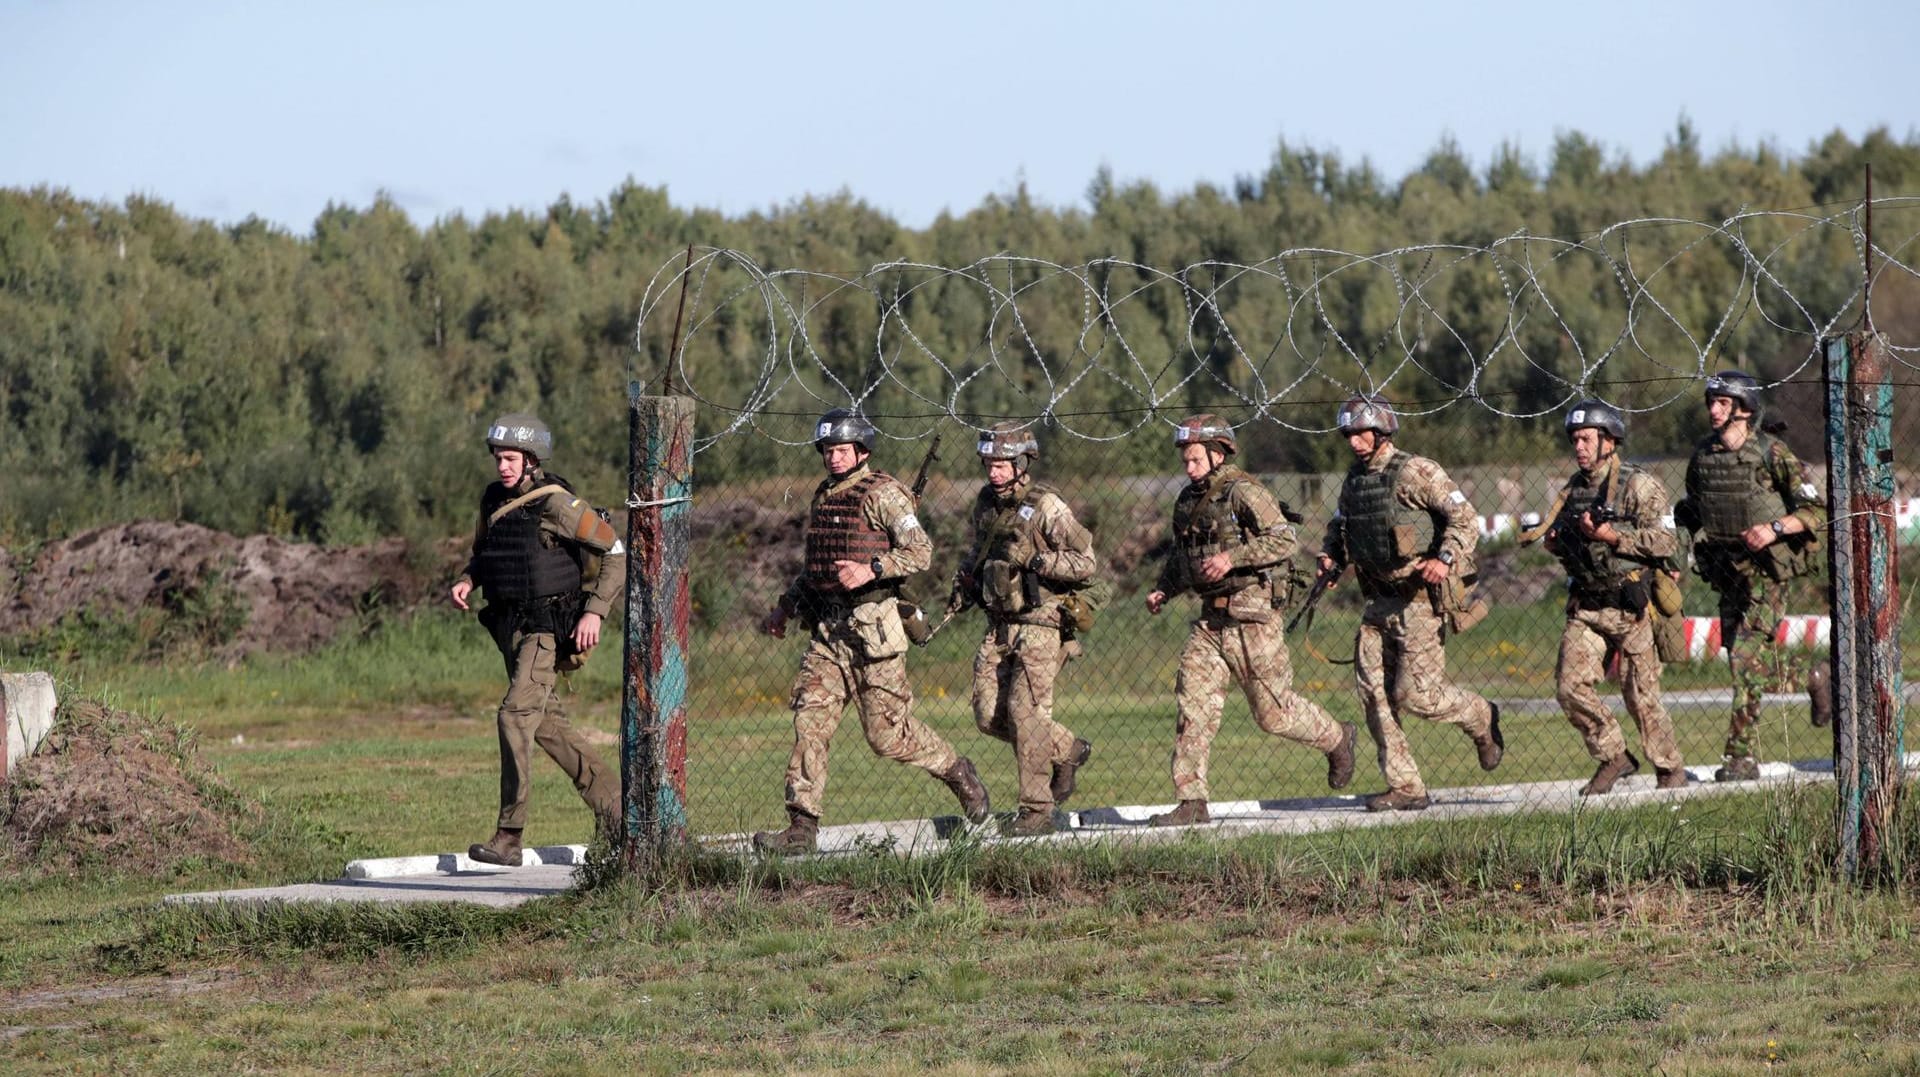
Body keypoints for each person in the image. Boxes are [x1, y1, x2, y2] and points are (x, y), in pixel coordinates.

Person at [754, 409, 990, 854]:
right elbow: (817, 568)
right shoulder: (824, 497)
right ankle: (801, 828)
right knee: (810, 723)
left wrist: (873, 568)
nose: (833, 458)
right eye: (827, 450)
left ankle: (957, 769)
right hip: (828, 632)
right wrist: (785, 607)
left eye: (841, 450)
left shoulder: (885, 494)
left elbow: (921, 551)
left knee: (887, 736)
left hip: (873, 632)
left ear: (861, 451)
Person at [1143, 414, 1357, 827]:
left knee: (1272, 715)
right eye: (1185, 460)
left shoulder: (1245, 492)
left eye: (1194, 459)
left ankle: (1337, 737)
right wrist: (1164, 590)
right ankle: (1192, 801)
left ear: (1217, 452)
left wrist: (1231, 558)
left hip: (1253, 619)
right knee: (1194, 706)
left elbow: (1284, 538)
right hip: (1211, 624)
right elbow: (1181, 556)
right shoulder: (1187, 501)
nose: (1188, 467)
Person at [450, 413, 626, 866]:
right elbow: (483, 554)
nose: (502, 467)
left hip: (547, 630)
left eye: (510, 459)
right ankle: (620, 813)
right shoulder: (493, 501)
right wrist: (468, 579)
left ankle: (509, 835)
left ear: (531, 459)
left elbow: (616, 552)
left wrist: (594, 613)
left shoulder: (556, 504)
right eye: (498, 458)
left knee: (513, 716)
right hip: (511, 631)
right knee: (548, 726)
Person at [1317, 395, 1501, 812]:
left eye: (1360, 432)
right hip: (1376, 602)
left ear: (1381, 431)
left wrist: (1446, 558)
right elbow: (1341, 524)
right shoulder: (1355, 480)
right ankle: (1406, 786)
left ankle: (1481, 716)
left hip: (1418, 601)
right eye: (1348, 434)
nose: (1353, 441)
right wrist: (1331, 556)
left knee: (1417, 695)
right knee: (1374, 696)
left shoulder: (1417, 471)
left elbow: (1465, 517)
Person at [1673, 371, 1830, 783]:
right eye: (1711, 401)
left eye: (1722, 402)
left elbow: (1815, 513)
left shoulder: (1773, 454)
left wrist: (1774, 529)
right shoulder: (1703, 456)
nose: (1713, 409)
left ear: (1743, 408)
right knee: (1743, 663)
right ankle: (1816, 677)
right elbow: (1689, 509)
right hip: (1727, 572)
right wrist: (1678, 553)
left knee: (1744, 658)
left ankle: (1739, 758)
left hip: (1766, 574)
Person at [954, 422, 1098, 837]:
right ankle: (1067, 750)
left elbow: (1087, 562)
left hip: (1039, 623)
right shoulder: (985, 504)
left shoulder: (1048, 506)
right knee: (987, 715)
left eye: (1001, 465)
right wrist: (964, 581)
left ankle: (1037, 810)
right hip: (998, 625)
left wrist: (1039, 563)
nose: (994, 472)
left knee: (1026, 713)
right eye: (989, 464)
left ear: (1021, 463)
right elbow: (977, 554)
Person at [1537, 400, 1685, 794]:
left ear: (1609, 440)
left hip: (1631, 606)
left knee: (1641, 698)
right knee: (1570, 688)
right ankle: (1614, 756)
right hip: (1587, 606)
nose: (1578, 447)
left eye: (1585, 438)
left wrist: (1613, 537)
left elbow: (1666, 541)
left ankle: (1670, 769)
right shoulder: (1572, 490)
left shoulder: (1639, 485)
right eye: (1574, 440)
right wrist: (1558, 543)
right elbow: (1573, 546)